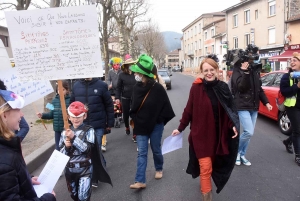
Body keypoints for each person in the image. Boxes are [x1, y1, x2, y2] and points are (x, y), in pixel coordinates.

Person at [172, 58, 239, 200]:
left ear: (216, 70)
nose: (209, 73)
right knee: (206, 166)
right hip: (201, 136)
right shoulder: (196, 88)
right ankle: (206, 195)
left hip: (218, 137)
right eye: (206, 70)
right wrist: (180, 128)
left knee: (213, 165)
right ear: (202, 72)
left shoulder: (223, 88)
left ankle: (205, 180)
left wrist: (233, 125)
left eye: (211, 70)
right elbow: (188, 110)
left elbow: (229, 111)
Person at [129, 54, 175, 189]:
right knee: (142, 152)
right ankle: (140, 180)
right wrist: (136, 120)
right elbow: (133, 106)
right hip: (141, 126)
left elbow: (166, 108)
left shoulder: (157, 88)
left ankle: (159, 168)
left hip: (156, 126)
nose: (135, 74)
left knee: (155, 149)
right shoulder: (136, 88)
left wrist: (158, 120)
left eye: (137, 72)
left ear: (143, 74)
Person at [0, 89, 56, 201]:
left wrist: (26, 180)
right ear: (4, 115)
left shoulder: (7, 149)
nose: (22, 114)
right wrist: (47, 199)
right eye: (18, 110)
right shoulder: (5, 160)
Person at [59, 101, 112, 201]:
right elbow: (61, 155)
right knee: (74, 196)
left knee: (83, 197)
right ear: (69, 117)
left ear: (84, 116)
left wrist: (74, 138)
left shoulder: (89, 130)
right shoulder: (64, 133)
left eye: (79, 116)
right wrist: (66, 147)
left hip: (85, 169)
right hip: (70, 170)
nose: (76, 119)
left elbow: (88, 149)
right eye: (73, 117)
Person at [231, 53, 272, 166]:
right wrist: (245, 73)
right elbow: (241, 87)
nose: (251, 62)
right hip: (242, 106)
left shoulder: (254, 72)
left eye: (253, 60)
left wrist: (266, 102)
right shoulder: (237, 72)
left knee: (248, 134)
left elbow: (259, 90)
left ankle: (241, 154)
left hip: (254, 106)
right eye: (249, 60)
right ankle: (235, 153)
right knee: (249, 131)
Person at [70, 77, 114, 179]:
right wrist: (71, 120)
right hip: (82, 125)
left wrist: (110, 122)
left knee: (95, 147)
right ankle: (101, 163)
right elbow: (72, 105)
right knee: (89, 149)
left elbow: (109, 105)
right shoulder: (76, 86)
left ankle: (95, 176)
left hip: (98, 124)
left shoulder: (102, 85)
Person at [37, 80, 70, 150]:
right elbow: (51, 114)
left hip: (66, 129)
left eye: (63, 89)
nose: (60, 91)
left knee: (67, 146)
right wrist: (42, 115)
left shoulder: (70, 100)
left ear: (67, 90)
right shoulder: (54, 101)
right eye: (58, 89)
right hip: (57, 129)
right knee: (58, 147)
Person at [280, 52, 300, 166]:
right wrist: (296, 87)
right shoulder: (286, 76)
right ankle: (298, 156)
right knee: (297, 130)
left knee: (298, 130)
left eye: (295, 60)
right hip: (292, 107)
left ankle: (288, 141)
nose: (292, 62)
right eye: (291, 60)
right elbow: (284, 91)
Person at [115, 54, 137, 139]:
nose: (131, 66)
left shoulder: (136, 74)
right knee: (126, 115)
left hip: (135, 98)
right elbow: (118, 87)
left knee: (134, 115)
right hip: (125, 98)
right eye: (129, 64)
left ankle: (135, 133)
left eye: (132, 64)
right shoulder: (121, 75)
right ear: (126, 66)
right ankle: (127, 126)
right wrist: (117, 97)